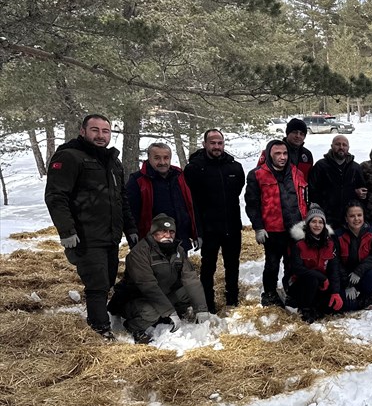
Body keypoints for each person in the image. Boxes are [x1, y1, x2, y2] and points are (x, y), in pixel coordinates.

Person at [45, 114, 136, 340]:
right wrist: (66, 231)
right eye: (95, 130)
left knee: (108, 279)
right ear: (83, 131)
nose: (100, 135)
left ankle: (102, 318)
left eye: (105, 131)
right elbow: (56, 196)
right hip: (85, 235)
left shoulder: (113, 161)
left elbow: (121, 199)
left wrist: (130, 229)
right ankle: (100, 329)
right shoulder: (69, 157)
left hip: (110, 235)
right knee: (96, 283)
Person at [108, 214, 209, 343]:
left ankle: (165, 318)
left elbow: (191, 279)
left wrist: (201, 309)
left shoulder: (178, 251)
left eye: (171, 232)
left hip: (163, 294)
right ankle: (135, 327)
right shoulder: (140, 253)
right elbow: (148, 287)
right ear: (153, 233)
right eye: (163, 231)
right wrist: (169, 311)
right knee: (151, 311)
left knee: (188, 291)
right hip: (135, 299)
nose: (168, 235)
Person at [184, 129, 245, 311]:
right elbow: (191, 200)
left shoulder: (234, 167)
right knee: (208, 267)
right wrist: (197, 230)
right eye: (213, 143)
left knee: (232, 264)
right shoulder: (194, 168)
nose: (217, 146)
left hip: (232, 225)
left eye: (220, 143)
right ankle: (208, 303)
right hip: (209, 227)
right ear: (205, 144)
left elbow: (238, 190)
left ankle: (232, 299)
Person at [245, 139, 309, 307]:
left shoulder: (296, 173)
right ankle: (270, 293)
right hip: (273, 229)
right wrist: (258, 227)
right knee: (272, 264)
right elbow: (252, 204)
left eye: (285, 153)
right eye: (277, 154)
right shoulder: (257, 174)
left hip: (295, 227)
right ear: (269, 155)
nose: (282, 157)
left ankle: (291, 290)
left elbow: (304, 200)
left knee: (294, 263)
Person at [126, 142, 199, 251]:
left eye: (166, 158)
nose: (162, 162)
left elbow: (191, 206)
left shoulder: (180, 176)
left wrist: (196, 233)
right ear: (149, 158)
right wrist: (131, 233)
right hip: (151, 241)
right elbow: (130, 211)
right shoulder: (138, 180)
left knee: (181, 267)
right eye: (157, 158)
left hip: (180, 239)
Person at [286, 204, 344, 323]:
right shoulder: (299, 243)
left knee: (335, 307)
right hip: (302, 284)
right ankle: (305, 308)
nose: (317, 225)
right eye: (314, 222)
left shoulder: (330, 243)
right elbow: (297, 269)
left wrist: (335, 292)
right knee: (312, 279)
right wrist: (321, 277)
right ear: (308, 223)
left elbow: (334, 269)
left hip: (322, 286)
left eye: (320, 222)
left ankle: (317, 307)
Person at [307, 134, 368, 230]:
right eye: (338, 144)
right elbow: (312, 190)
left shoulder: (355, 167)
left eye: (344, 145)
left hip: (349, 217)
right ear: (332, 146)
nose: (341, 147)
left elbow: (363, 191)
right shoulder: (321, 166)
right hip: (327, 216)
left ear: (348, 148)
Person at [334, 201, 372, 310]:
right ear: (346, 218)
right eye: (352, 216)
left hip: (362, 273)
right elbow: (335, 262)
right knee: (346, 305)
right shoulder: (338, 235)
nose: (356, 219)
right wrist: (348, 285)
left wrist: (359, 271)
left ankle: (366, 295)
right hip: (345, 276)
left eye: (359, 215)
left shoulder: (371, 232)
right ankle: (361, 301)